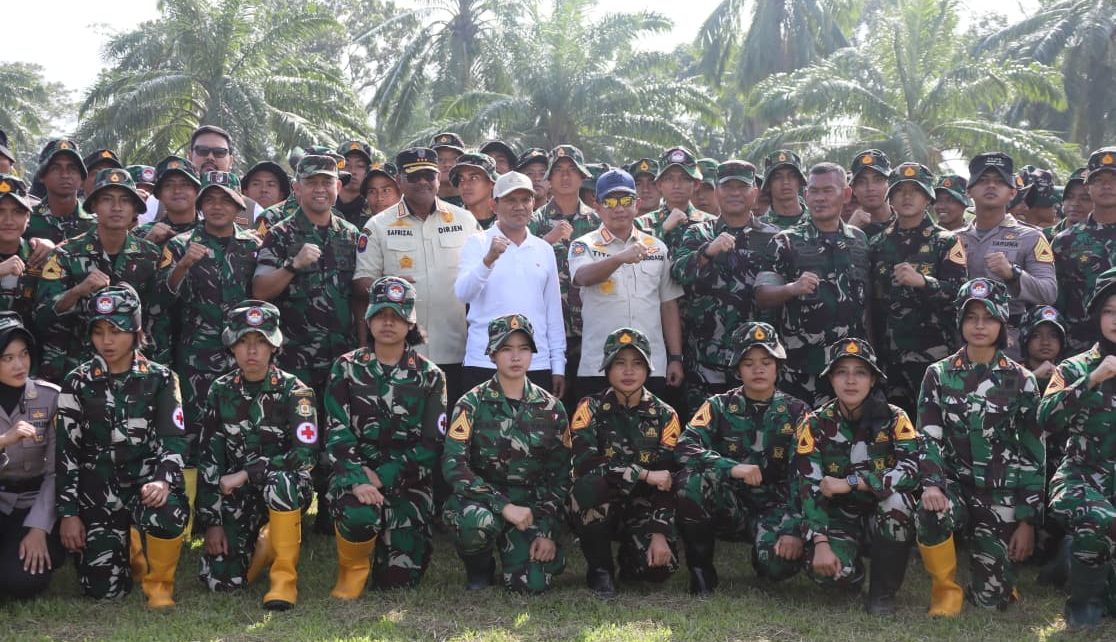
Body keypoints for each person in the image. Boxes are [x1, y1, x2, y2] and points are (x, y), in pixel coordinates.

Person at [916, 278, 1044, 614]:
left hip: (999, 493)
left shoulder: (1021, 378)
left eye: (988, 317)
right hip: (954, 485)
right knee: (930, 511)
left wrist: (1027, 520)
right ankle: (946, 590)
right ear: (960, 322)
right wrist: (932, 483)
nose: (979, 325)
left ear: (1002, 322)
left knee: (991, 602)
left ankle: (998, 577)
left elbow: (1032, 451)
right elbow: (928, 436)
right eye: (971, 317)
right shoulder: (938, 374)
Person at [56, 284, 188, 607]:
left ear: (136, 330)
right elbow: (66, 453)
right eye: (99, 332)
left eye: (116, 331)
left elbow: (173, 442)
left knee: (168, 513)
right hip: (98, 495)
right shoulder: (76, 382)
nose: (107, 341)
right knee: (102, 592)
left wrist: (162, 479)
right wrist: (69, 514)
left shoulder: (161, 378)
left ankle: (159, 584)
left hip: (145, 486)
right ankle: (128, 548)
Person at [253, 155, 361, 534]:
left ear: (338, 188)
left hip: (340, 358)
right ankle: (289, 510)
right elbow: (260, 290)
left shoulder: (350, 234)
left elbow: (359, 298)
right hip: (295, 359)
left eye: (327, 182)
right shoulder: (280, 234)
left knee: (338, 432)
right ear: (297, 188)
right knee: (294, 433)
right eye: (312, 182)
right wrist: (294, 265)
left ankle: (332, 512)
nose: (320, 189)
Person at [326, 277, 447, 596]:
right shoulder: (346, 368)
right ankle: (352, 569)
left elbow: (431, 444)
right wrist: (358, 478)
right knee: (358, 513)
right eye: (381, 315)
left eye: (397, 315)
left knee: (398, 582)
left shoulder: (431, 376)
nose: (388, 322)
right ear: (368, 319)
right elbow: (336, 431)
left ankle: (391, 548)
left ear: (411, 323)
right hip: (357, 475)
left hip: (407, 480)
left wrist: (383, 477)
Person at [196, 301, 317, 610]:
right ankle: (264, 541)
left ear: (274, 346)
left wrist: (250, 472)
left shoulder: (296, 391)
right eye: (243, 342)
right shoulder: (220, 390)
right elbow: (210, 456)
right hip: (238, 493)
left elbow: (306, 454)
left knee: (281, 483)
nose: (252, 351)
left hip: (284, 488)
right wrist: (213, 522)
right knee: (223, 581)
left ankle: (283, 581)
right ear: (232, 346)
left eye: (261, 342)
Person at [675, 322, 812, 595]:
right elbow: (684, 447)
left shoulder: (798, 411)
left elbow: (807, 475)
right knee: (691, 480)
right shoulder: (718, 406)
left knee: (776, 567)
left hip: (776, 508)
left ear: (777, 367)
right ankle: (702, 572)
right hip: (731, 504)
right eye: (748, 363)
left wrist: (793, 528)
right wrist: (732, 467)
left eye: (766, 362)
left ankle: (764, 551)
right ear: (737, 369)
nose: (758, 369)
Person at [442, 314, 571, 594]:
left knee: (532, 584)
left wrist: (546, 530)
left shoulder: (552, 409)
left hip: (529, 509)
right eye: (506, 349)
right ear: (492, 355)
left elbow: (560, 477)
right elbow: (455, 466)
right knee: (474, 524)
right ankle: (480, 569)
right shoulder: (471, 404)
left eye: (523, 349)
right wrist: (502, 506)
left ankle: (529, 557)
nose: (516, 357)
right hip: (483, 502)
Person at [161, 170, 262, 516]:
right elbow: (163, 298)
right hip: (196, 356)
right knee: (194, 432)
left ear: (238, 205)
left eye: (226, 200)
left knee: (243, 428)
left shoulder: (253, 245)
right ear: (201, 205)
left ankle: (239, 507)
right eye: (210, 200)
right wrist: (184, 263)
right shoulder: (179, 244)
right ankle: (191, 512)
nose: (217, 207)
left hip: (243, 355)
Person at [796, 337, 920, 614]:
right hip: (840, 518)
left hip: (879, 514)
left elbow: (911, 471)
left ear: (873, 380)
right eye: (842, 372)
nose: (851, 381)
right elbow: (809, 488)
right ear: (830, 379)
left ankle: (882, 593)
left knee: (898, 503)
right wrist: (821, 543)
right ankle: (854, 570)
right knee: (830, 574)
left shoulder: (895, 418)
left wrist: (853, 482)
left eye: (860, 372)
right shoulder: (814, 424)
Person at [353, 147, 480, 405]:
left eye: (428, 175)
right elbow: (360, 281)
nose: (422, 181)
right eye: (414, 176)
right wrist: (385, 287)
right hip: (400, 353)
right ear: (399, 180)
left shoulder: (465, 221)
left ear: (437, 178)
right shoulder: (378, 225)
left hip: (457, 349)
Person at [569, 328, 681, 597]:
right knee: (589, 489)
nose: (628, 371)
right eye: (620, 363)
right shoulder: (589, 408)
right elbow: (584, 464)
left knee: (658, 570)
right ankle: (600, 570)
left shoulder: (665, 415)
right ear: (607, 367)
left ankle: (632, 561)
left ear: (648, 369)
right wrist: (641, 473)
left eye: (637, 363)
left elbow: (669, 479)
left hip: (642, 504)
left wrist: (659, 532)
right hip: (602, 498)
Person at [1038, 268, 1116, 629]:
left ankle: (1067, 561)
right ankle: (1083, 608)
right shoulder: (1076, 367)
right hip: (1082, 477)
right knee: (1098, 520)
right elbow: (1046, 419)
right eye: (1110, 310)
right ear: (1097, 315)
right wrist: (1092, 380)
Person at [755, 162, 870, 406]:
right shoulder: (785, 241)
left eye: (828, 191)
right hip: (801, 369)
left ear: (846, 194)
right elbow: (762, 294)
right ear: (805, 195)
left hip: (850, 371)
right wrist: (791, 288)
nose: (819, 198)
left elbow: (868, 305)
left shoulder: (859, 241)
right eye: (814, 192)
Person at [34, 168, 164, 383]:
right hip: (77, 371)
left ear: (135, 209)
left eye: (124, 200)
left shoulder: (150, 255)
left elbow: (159, 319)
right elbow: (41, 317)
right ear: (94, 205)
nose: (116, 207)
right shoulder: (66, 254)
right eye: (106, 199)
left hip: (133, 373)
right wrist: (76, 292)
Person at [671, 160, 779, 412]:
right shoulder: (698, 233)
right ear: (717, 192)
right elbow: (677, 273)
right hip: (704, 360)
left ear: (754, 192)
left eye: (741, 187)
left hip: (757, 361)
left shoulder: (774, 236)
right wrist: (708, 251)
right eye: (727, 187)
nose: (734, 193)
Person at [570, 169, 684, 399]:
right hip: (599, 365)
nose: (619, 208)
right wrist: (619, 257)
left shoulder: (657, 247)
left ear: (637, 204)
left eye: (626, 200)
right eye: (610, 201)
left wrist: (675, 358)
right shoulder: (584, 245)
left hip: (650, 364)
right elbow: (582, 277)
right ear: (597, 206)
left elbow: (668, 305)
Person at [868, 162, 968, 413]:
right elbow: (872, 304)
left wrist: (924, 283)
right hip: (890, 357)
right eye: (900, 190)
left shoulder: (946, 241)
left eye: (916, 190)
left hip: (935, 355)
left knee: (935, 424)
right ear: (890, 198)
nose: (907, 196)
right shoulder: (877, 243)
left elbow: (961, 295)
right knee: (895, 426)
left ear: (928, 198)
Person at [455, 171, 565, 394]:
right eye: (510, 200)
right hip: (485, 361)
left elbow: (553, 310)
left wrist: (558, 365)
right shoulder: (477, 242)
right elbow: (462, 294)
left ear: (533, 203)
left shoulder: (543, 249)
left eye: (526, 199)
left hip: (535, 361)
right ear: (493, 205)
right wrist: (489, 260)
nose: (519, 206)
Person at [955, 152, 1057, 357]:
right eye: (983, 180)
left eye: (999, 182)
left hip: (1011, 345)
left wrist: (1013, 274)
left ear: (1012, 192)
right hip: (960, 344)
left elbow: (1049, 293)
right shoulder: (952, 239)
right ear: (969, 191)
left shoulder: (1031, 237)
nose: (991, 186)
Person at [527, 145, 600, 400]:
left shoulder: (597, 222)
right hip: (546, 332)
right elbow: (519, 266)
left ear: (582, 176)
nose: (565, 176)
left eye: (571, 170)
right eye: (558, 170)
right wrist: (548, 239)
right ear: (548, 178)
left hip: (590, 329)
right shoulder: (533, 221)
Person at [0, 313, 63, 599]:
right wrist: (5, 440)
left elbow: (56, 472)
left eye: (23, 354)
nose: (19, 364)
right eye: (7, 358)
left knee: (21, 582)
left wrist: (38, 528)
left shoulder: (50, 398)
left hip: (33, 505)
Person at [1053, 148, 1116, 355]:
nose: (1107, 185)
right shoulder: (1065, 241)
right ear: (1088, 186)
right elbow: (1058, 302)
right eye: (1099, 180)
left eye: (1113, 178)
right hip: (1081, 352)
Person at [634, 147, 715, 254]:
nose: (676, 185)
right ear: (659, 185)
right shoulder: (641, 224)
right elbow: (634, 260)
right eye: (669, 179)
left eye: (684, 178)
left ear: (696, 184)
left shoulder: (710, 224)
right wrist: (662, 230)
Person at [26, 139, 93, 247]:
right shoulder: (26, 220)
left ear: (82, 178)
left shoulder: (96, 225)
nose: (65, 175)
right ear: (42, 176)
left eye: (72, 168)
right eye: (55, 168)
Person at [0, 174, 42, 331]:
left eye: (17, 212)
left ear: (28, 217)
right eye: (0, 211)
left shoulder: (40, 256)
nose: (8, 220)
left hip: (27, 351)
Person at [135, 156, 201, 247]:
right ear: (158, 194)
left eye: (185, 184)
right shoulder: (141, 233)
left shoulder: (214, 230)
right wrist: (147, 244)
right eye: (168, 185)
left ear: (197, 191)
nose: (177, 190)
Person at [845, 150, 893, 239]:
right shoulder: (845, 229)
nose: (870, 188)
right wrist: (849, 232)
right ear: (854, 189)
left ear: (890, 184)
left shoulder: (906, 222)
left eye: (878, 180)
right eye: (862, 182)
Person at [756, 150, 807, 230]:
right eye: (777, 177)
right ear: (768, 184)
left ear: (800, 181)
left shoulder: (817, 220)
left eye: (792, 176)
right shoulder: (758, 227)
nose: (785, 182)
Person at [450, 152, 499, 230]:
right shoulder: (448, 224)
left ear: (492, 182)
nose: (465, 185)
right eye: (461, 179)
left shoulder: (509, 220)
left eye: (474, 178)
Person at [359, 161, 401, 226]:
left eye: (386, 190)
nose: (379, 198)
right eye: (372, 191)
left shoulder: (416, 226)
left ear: (400, 192)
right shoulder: (359, 231)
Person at [432, 132, 466, 208]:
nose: (447, 164)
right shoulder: (421, 201)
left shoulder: (475, 199)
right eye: (439, 159)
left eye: (454, 158)